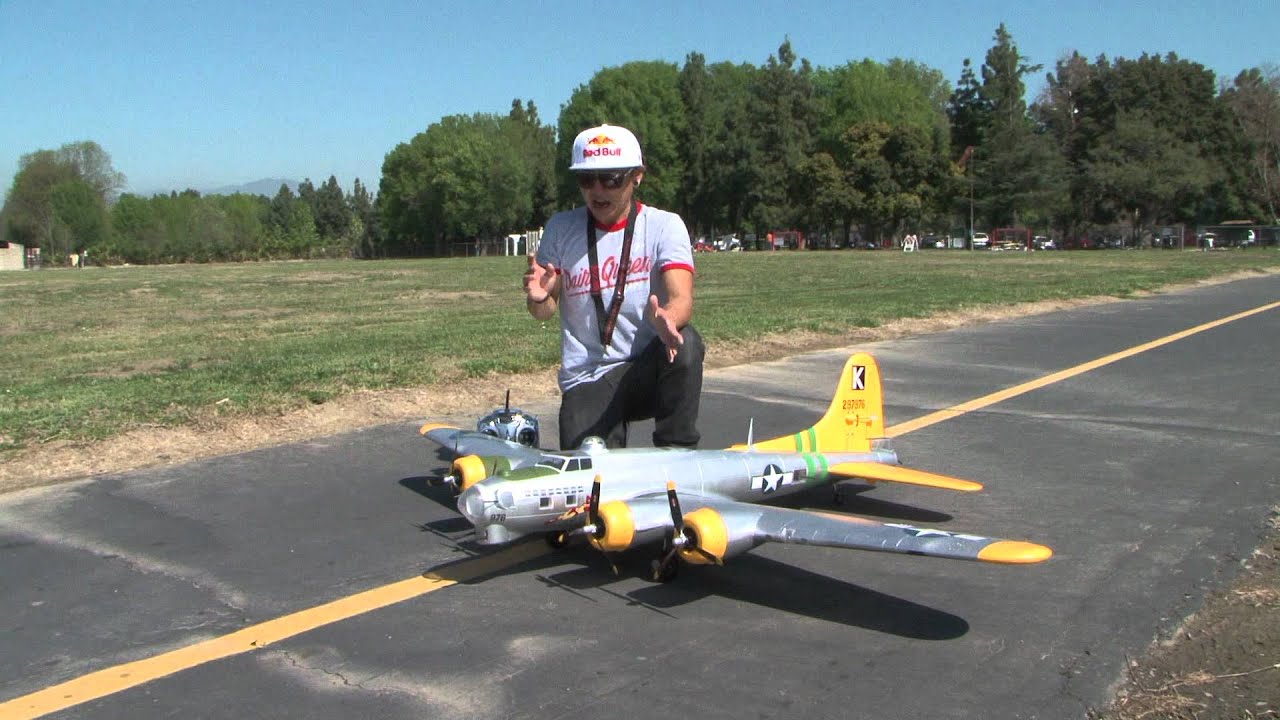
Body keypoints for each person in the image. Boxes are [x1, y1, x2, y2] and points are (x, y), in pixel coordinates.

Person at [523, 123, 704, 450]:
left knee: (686, 343)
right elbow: (544, 311)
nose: (598, 191)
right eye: (586, 180)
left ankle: (677, 453)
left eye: (611, 179)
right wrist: (538, 298)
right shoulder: (561, 228)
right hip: (588, 377)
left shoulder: (663, 225)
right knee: (591, 481)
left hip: (646, 368)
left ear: (637, 176)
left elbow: (681, 297)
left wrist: (669, 320)